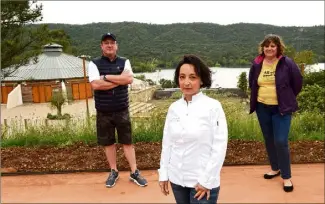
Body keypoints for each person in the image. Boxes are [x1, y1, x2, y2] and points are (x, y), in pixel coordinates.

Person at [158, 54, 228, 204]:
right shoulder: (174, 108)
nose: (186, 82)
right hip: (177, 180)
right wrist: (163, 173)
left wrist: (207, 180)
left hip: (202, 183)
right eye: (182, 77)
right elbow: (167, 143)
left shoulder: (213, 107)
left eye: (193, 77)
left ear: (201, 79)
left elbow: (219, 147)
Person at [88, 32, 148, 188]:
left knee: (127, 142)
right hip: (103, 111)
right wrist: (118, 80)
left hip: (122, 109)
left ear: (116, 45)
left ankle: (134, 172)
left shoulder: (124, 61)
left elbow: (128, 79)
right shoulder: (93, 64)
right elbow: (95, 85)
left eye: (112, 42)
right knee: (108, 143)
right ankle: (113, 171)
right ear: (101, 46)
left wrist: (105, 77)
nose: (109, 45)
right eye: (106, 43)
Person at [248, 34, 303, 192]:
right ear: (263, 47)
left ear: (278, 47)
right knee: (269, 139)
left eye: (273, 46)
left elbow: (297, 83)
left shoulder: (287, 63)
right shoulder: (257, 63)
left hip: (281, 109)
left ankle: (286, 177)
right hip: (262, 107)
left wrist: (287, 97)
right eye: (267, 45)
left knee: (280, 141)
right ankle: (275, 168)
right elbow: (253, 81)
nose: (269, 48)